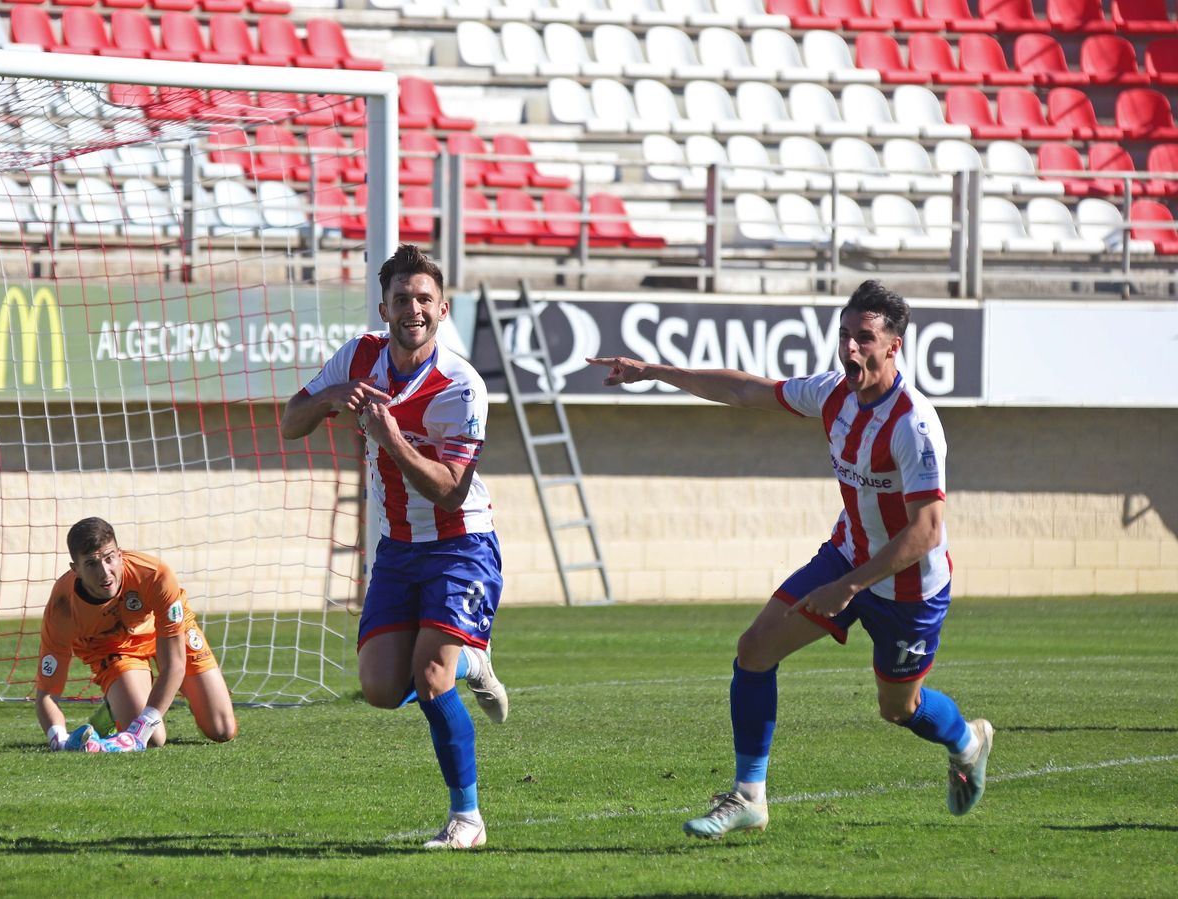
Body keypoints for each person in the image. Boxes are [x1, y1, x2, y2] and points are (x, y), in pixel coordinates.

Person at [587, 280, 993, 839]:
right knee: (753, 650)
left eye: (865, 338)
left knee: (899, 708)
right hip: (845, 557)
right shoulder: (832, 394)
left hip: (907, 588)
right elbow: (748, 391)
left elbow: (925, 532)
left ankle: (968, 743)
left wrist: (849, 588)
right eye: (845, 335)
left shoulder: (914, 426)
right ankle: (749, 795)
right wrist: (656, 372)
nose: (850, 348)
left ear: (894, 346)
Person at [280, 245, 509, 850]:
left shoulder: (462, 385)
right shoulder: (358, 356)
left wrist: (388, 435)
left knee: (430, 681)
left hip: (461, 546)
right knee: (382, 689)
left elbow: (451, 491)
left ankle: (468, 817)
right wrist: (334, 399)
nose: (414, 309)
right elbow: (290, 420)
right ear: (384, 307)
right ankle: (470, 661)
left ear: (442, 308)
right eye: (402, 299)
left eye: (424, 299)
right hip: (398, 550)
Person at [34, 517, 237, 753]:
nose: (105, 572)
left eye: (109, 558)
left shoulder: (155, 575)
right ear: (75, 569)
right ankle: (112, 710)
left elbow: (175, 665)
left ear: (120, 554)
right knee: (153, 740)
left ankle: (191, 697)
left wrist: (142, 726)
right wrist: (58, 738)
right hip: (112, 648)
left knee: (222, 730)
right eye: (91, 564)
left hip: (165, 630)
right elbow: (46, 695)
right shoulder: (62, 607)